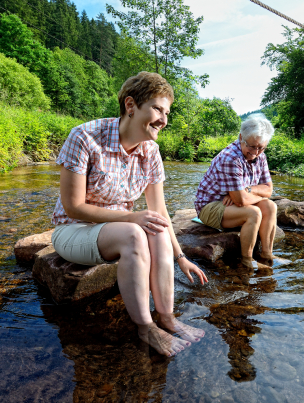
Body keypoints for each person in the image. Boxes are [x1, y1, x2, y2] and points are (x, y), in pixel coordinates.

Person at [51, 71, 208, 357]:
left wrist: (180, 257)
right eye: (158, 109)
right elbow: (73, 206)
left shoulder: (151, 151)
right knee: (136, 232)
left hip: (115, 230)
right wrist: (130, 217)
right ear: (131, 105)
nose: (164, 119)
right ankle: (144, 327)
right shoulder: (85, 136)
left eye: (167, 112)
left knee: (156, 225)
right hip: (73, 229)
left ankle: (167, 317)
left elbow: (159, 210)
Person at [194, 116, 279, 270]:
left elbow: (268, 189)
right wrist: (241, 196)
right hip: (210, 206)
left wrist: (248, 190)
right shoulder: (230, 157)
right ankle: (247, 260)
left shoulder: (261, 156)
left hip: (232, 203)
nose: (255, 153)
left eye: (261, 148)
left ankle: (267, 254)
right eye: (252, 146)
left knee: (270, 206)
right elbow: (241, 201)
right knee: (253, 213)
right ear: (241, 137)